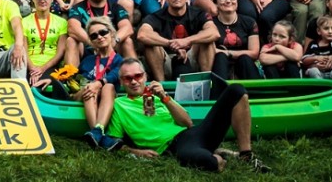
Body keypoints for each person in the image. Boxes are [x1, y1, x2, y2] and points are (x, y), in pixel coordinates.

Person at [110, 58, 270, 172]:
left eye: (138, 76)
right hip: (174, 146)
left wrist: (165, 98)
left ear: (145, 76)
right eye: (128, 78)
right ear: (121, 82)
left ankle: (246, 154)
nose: (134, 81)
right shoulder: (118, 105)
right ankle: (217, 153)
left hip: (192, 133)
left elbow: (187, 122)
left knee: (236, 90)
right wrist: (137, 152)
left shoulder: (154, 95)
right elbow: (113, 141)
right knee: (211, 163)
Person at [137, 0, 218, 82]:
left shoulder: (198, 13)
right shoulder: (156, 16)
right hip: (166, 60)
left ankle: (205, 82)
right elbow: (142, 35)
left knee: (208, 41)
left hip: (192, 57)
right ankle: (162, 85)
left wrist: (187, 41)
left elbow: (214, 32)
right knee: (150, 44)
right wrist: (171, 44)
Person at [67, 0, 136, 66]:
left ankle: (135, 72)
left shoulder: (116, 7)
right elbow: (72, 28)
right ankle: (71, 74)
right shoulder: (78, 8)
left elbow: (127, 28)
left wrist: (112, 42)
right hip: (88, 48)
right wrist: (94, 42)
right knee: (71, 41)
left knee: (127, 41)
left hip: (111, 49)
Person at [78, 17, 123, 149]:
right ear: (91, 41)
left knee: (108, 86)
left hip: (107, 96)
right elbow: (76, 82)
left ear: (111, 33)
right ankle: (100, 134)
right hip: (85, 94)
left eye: (103, 32)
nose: (99, 37)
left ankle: (96, 134)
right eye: (94, 36)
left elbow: (115, 74)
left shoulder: (120, 60)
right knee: (89, 88)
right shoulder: (87, 61)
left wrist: (98, 83)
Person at [209, 0, 261, 82]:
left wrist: (227, 53)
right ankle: (219, 91)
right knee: (220, 57)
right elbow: (211, 51)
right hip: (219, 65)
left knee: (244, 58)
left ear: (237, 1)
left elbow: (254, 53)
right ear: (215, 2)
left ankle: (255, 91)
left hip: (244, 65)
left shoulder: (249, 22)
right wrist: (222, 54)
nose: (228, 1)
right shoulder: (210, 23)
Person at [22, 0, 68, 91]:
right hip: (28, 65)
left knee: (46, 85)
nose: (42, 1)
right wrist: (33, 69)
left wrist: (42, 68)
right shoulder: (23, 21)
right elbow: (23, 48)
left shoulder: (62, 22)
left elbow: (60, 52)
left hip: (51, 66)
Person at [302, 16, 332, 80]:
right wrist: (316, 58)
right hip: (318, 72)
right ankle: (320, 84)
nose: (330, 31)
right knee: (313, 71)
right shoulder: (313, 45)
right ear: (319, 31)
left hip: (331, 72)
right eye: (326, 28)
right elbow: (304, 60)